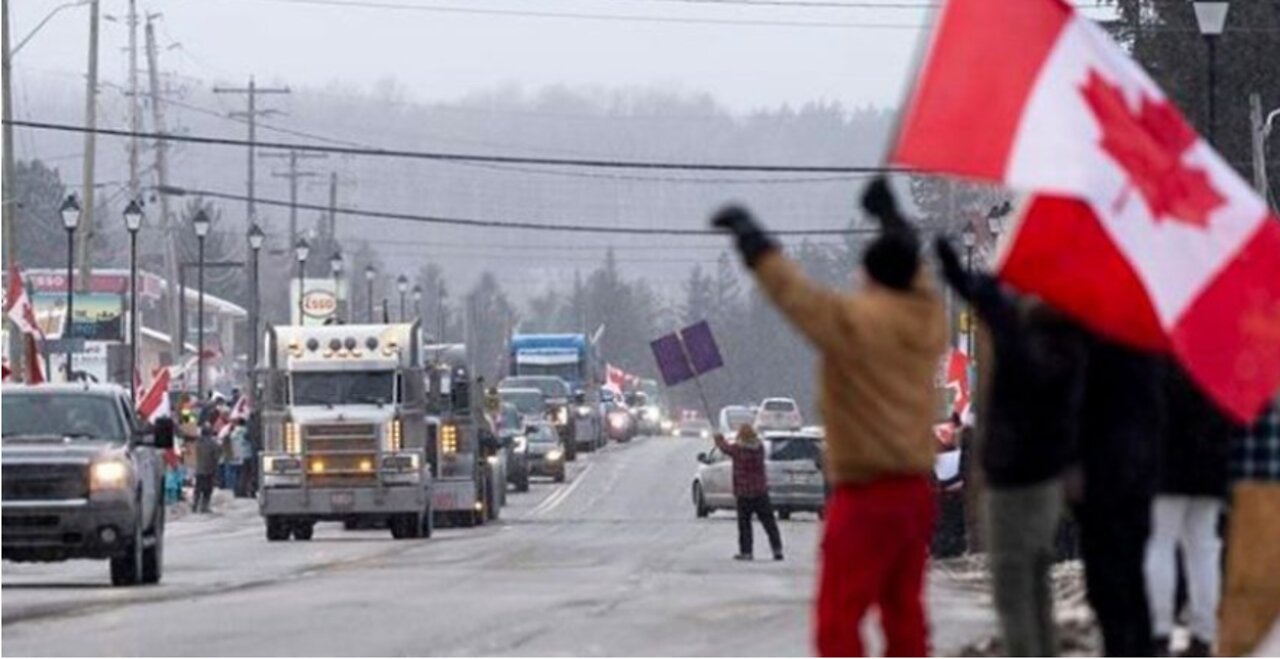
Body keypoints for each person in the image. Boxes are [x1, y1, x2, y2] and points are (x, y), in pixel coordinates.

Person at [711, 177, 947, 657]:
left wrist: (756, 245)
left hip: (865, 493)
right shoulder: (927, 319)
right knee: (905, 613)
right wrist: (895, 224)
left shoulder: (852, 324)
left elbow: (796, 296)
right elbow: (915, 279)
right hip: (914, 492)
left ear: (872, 278)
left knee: (839, 617)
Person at [936, 237, 1089, 656]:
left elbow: (990, 303)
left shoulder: (1021, 339)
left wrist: (952, 266)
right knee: (1035, 576)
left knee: (1013, 584)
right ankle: (1041, 648)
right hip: (1048, 477)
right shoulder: (1073, 343)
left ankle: (1028, 650)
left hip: (1013, 477)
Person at [1075, 337, 1166, 656]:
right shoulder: (1152, 353)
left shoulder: (1093, 351)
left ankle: (1124, 647)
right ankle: (1135, 646)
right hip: (1138, 476)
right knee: (1130, 578)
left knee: (1110, 582)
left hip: (1108, 478)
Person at [1145, 367, 1236, 657]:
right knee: (1204, 550)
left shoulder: (1161, 362)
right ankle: (1204, 634)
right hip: (1211, 467)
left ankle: (1159, 631)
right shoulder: (1220, 365)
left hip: (1166, 467)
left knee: (1160, 544)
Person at [713, 424, 783, 561]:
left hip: (744, 493)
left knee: (744, 524)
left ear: (741, 435)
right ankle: (777, 550)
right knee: (769, 523)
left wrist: (718, 438)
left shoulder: (738, 449)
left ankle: (746, 551)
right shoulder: (760, 448)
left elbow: (725, 448)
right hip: (760, 492)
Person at [192, 424, 220, 513]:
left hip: (198, 469)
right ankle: (204, 506)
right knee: (207, 489)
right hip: (209, 470)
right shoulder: (213, 444)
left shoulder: (197, 443)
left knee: (198, 489)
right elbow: (216, 456)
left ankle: (195, 505)